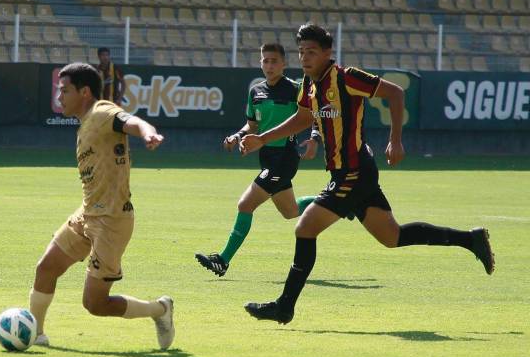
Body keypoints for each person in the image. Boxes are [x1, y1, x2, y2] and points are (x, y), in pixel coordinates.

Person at [240, 23, 494, 324]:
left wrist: (395, 140)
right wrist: (262, 138)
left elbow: (395, 93)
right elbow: (302, 119)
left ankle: (284, 307)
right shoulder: (309, 85)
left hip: (354, 172)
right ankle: (471, 239)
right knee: (392, 236)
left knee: (304, 228)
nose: (305, 58)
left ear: (327, 53)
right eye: (301, 52)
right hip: (349, 172)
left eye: (311, 52)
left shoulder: (346, 77)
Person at [29, 62, 174, 349]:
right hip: (87, 214)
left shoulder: (102, 112)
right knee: (46, 268)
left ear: (84, 92)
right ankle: (35, 334)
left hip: (112, 221)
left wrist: (148, 133)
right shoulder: (86, 121)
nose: (59, 97)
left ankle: (160, 309)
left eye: (64, 90)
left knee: (95, 304)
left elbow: (131, 121)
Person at [195, 43, 321, 277]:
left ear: (284, 64)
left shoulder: (296, 89)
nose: (269, 65)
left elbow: (316, 115)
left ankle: (223, 260)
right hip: (267, 159)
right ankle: (338, 201)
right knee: (290, 211)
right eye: (265, 61)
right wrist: (237, 136)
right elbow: (252, 125)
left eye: (274, 61)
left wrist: (314, 138)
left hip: (284, 158)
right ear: (260, 63)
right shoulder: (256, 91)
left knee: (245, 204)